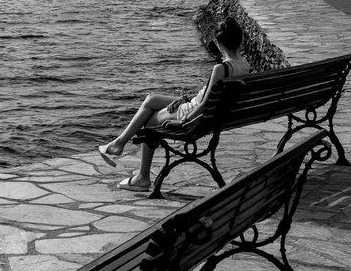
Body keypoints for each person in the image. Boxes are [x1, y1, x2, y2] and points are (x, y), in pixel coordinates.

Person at [97, 17, 249, 192]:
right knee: (151, 99)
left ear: (218, 42)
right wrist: (185, 100)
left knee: (151, 120)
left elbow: (206, 102)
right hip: (212, 114)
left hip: (195, 114)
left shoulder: (222, 68)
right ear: (238, 40)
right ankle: (119, 143)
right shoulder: (245, 65)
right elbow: (210, 99)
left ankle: (141, 177)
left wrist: (183, 122)